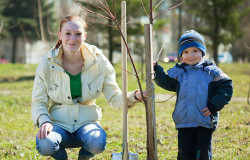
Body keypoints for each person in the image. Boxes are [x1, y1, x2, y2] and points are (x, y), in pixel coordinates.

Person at [31, 15, 144, 160]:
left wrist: (134, 96)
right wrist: (44, 121)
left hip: (88, 123)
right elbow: (38, 101)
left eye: (78, 34)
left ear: (84, 36)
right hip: (57, 124)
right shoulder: (47, 64)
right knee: (45, 143)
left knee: (97, 142)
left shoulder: (99, 62)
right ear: (60, 35)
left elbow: (114, 97)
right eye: (68, 33)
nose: (73, 38)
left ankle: (84, 158)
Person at [152, 30, 233, 159]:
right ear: (181, 55)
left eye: (195, 51)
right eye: (186, 52)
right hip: (184, 121)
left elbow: (227, 86)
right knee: (184, 152)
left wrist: (213, 105)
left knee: (203, 153)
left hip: (204, 121)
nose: (191, 55)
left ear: (202, 52)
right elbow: (167, 82)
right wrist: (156, 69)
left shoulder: (211, 71)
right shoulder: (180, 72)